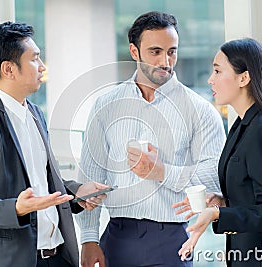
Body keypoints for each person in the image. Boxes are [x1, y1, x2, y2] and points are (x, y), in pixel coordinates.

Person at [0, 21, 109, 267]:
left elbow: (40, 181)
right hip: (13, 260)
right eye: (35, 59)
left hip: (58, 256)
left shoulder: (33, 112)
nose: (42, 67)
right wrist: (17, 208)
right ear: (9, 69)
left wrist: (76, 192)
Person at [76, 11, 226, 267]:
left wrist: (161, 171)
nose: (165, 61)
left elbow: (213, 178)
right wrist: (89, 239)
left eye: (172, 51)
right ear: (135, 52)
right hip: (116, 237)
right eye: (156, 52)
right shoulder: (107, 105)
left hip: (172, 241)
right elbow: (91, 175)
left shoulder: (199, 110)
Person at [173, 38, 262, 266]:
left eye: (218, 71)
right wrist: (221, 203)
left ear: (244, 78)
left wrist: (219, 215)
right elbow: (254, 195)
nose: (210, 79)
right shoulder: (241, 125)